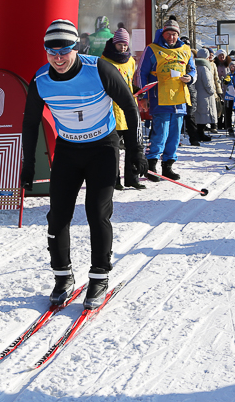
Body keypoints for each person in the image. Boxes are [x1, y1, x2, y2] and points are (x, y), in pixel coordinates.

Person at [21, 19, 146, 309]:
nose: (59, 58)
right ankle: (62, 276)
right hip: (68, 150)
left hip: (103, 148)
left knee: (96, 213)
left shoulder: (99, 69)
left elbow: (130, 105)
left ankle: (99, 276)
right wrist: (28, 164)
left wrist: (137, 149)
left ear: (76, 47)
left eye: (64, 50)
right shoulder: (41, 79)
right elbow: (29, 123)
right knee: (58, 216)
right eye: (52, 52)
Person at [141, 18, 196, 181]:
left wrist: (190, 78)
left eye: (174, 34)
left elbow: (193, 70)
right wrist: (144, 96)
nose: (171, 37)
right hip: (160, 97)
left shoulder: (186, 50)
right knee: (160, 133)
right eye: (168, 34)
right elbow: (142, 74)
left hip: (179, 98)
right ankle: (151, 165)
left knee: (174, 135)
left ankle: (168, 165)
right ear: (162, 34)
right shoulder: (152, 49)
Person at [100, 28, 145, 190]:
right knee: (113, 148)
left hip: (129, 109)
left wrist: (137, 90)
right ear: (114, 43)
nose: (123, 48)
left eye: (125, 45)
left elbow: (129, 80)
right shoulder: (104, 61)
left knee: (133, 144)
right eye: (120, 45)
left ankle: (132, 177)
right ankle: (114, 179)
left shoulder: (130, 61)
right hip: (113, 109)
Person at [193, 48, 218, 142]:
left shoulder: (196, 66)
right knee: (204, 114)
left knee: (199, 114)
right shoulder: (204, 67)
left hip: (197, 93)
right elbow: (207, 82)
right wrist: (212, 91)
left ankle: (199, 133)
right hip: (205, 95)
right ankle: (200, 134)